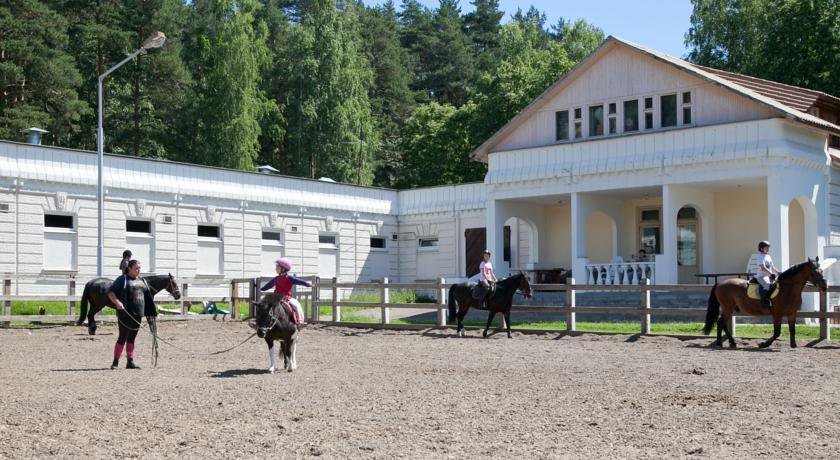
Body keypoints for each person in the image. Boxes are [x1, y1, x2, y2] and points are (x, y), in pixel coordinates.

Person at [107, 260, 153, 369]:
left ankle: (130, 361)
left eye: (139, 268)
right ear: (129, 268)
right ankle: (115, 362)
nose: (138, 270)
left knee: (132, 338)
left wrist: (151, 312)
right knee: (122, 337)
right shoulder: (122, 279)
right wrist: (117, 302)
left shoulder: (142, 281)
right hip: (125, 314)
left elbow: (147, 297)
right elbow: (111, 292)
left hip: (138, 314)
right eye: (136, 268)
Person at [260, 258, 312, 325]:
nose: (276, 269)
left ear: (283, 269)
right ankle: (260, 321)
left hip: (286, 298)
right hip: (275, 297)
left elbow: (299, 281)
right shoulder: (276, 278)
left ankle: (300, 322)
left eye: (277, 267)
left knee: (296, 305)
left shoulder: (290, 278)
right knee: (263, 304)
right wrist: (262, 289)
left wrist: (308, 284)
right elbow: (269, 285)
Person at [755, 241, 780, 308]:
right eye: (766, 248)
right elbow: (763, 268)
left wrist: (778, 272)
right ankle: (763, 301)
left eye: (768, 248)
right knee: (767, 284)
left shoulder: (768, 256)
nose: (768, 249)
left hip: (769, 276)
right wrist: (771, 274)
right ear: (761, 249)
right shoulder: (760, 257)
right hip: (762, 276)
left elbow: (772, 267)